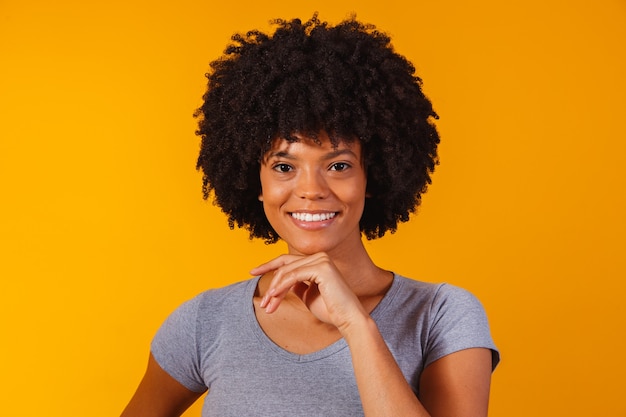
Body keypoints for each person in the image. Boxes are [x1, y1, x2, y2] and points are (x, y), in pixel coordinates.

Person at [121, 14, 499, 417]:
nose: (311, 189)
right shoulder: (205, 322)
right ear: (257, 182)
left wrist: (355, 324)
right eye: (284, 167)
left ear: (373, 176)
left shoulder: (441, 315)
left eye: (338, 165)